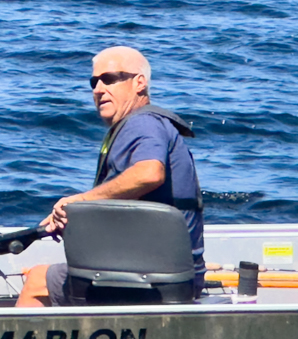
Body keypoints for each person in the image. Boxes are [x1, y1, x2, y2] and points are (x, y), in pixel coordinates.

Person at [16, 46, 204, 307]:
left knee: (37, 280)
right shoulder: (143, 125)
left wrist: (80, 201)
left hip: (155, 281)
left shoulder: (142, 123)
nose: (98, 88)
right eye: (94, 82)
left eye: (110, 78)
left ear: (140, 83)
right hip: (171, 276)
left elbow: (150, 173)